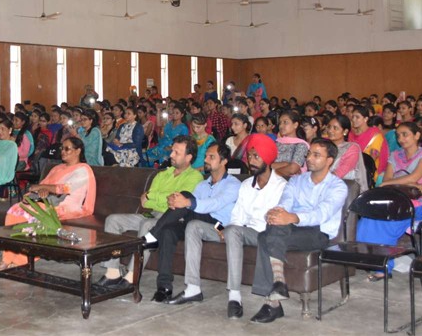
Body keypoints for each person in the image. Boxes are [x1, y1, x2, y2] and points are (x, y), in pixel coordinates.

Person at [249, 138, 348, 324]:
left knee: (266, 235)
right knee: (268, 232)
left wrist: (292, 217)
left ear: (329, 161)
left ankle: (275, 299)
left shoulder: (337, 187)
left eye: (316, 155)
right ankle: (275, 294)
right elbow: (286, 201)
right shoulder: (297, 181)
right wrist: (278, 212)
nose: (309, 158)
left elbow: (321, 214)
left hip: (318, 233)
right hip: (292, 228)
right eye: (309, 153)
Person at [96, 136, 204, 289]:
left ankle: (132, 275)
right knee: (113, 220)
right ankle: (112, 272)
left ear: (189, 157)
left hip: (170, 220)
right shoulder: (162, 174)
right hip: (151, 213)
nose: (171, 155)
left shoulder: (195, 177)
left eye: (176, 152)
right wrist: (158, 198)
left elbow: (173, 202)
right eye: (172, 151)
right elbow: (145, 202)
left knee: (147, 224)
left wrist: (152, 196)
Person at [148, 143, 241, 304]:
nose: (206, 160)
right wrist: (175, 201)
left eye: (211, 157)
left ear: (224, 161)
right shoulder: (203, 185)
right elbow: (189, 205)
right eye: (206, 156)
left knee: (186, 198)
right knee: (168, 230)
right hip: (198, 220)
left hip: (220, 226)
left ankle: (150, 237)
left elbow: (215, 204)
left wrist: (185, 202)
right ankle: (164, 287)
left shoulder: (233, 184)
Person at [355, 122, 422, 280]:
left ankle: (383, 268)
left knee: (387, 222)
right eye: (398, 135)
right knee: (367, 219)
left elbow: (413, 176)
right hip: (395, 199)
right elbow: (388, 180)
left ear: (417, 135)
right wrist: (411, 184)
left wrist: (409, 182)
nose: (401, 139)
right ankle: (371, 262)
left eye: (405, 134)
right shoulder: (395, 156)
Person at [0, 137, 96, 271]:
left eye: (67, 149)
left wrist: (46, 189)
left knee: (32, 214)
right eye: (61, 148)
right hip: (48, 202)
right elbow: (39, 186)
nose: (63, 152)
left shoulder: (83, 169)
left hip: (66, 207)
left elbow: (65, 188)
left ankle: (21, 260)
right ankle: (7, 258)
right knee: (15, 209)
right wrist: (42, 190)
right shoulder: (57, 168)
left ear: (78, 151)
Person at [220, 134, 288, 318]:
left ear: (267, 159)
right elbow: (237, 217)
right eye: (250, 156)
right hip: (248, 232)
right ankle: (234, 297)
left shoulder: (281, 186)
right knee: (232, 230)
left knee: (234, 231)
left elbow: (277, 219)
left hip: (269, 234)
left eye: (257, 157)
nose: (251, 161)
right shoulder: (245, 185)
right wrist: (230, 231)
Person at [324, 115, 369, 192]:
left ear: (345, 132)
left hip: (343, 189)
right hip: (322, 184)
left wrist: (318, 180)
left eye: (335, 128)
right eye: (329, 127)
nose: (330, 131)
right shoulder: (323, 146)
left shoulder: (351, 148)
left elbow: (339, 173)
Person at [349, 105, 389, 185]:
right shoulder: (351, 134)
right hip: (354, 171)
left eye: (357, 117)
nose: (353, 120)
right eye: (352, 117)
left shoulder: (374, 135)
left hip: (372, 173)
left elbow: (371, 159)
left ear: (366, 119)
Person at [272, 110, 309, 177]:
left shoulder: (301, 145)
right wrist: (286, 164)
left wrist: (271, 173)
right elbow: (266, 165)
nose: (281, 126)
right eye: (280, 123)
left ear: (295, 125)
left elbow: (293, 169)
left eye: (285, 122)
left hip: (291, 183)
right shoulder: (276, 143)